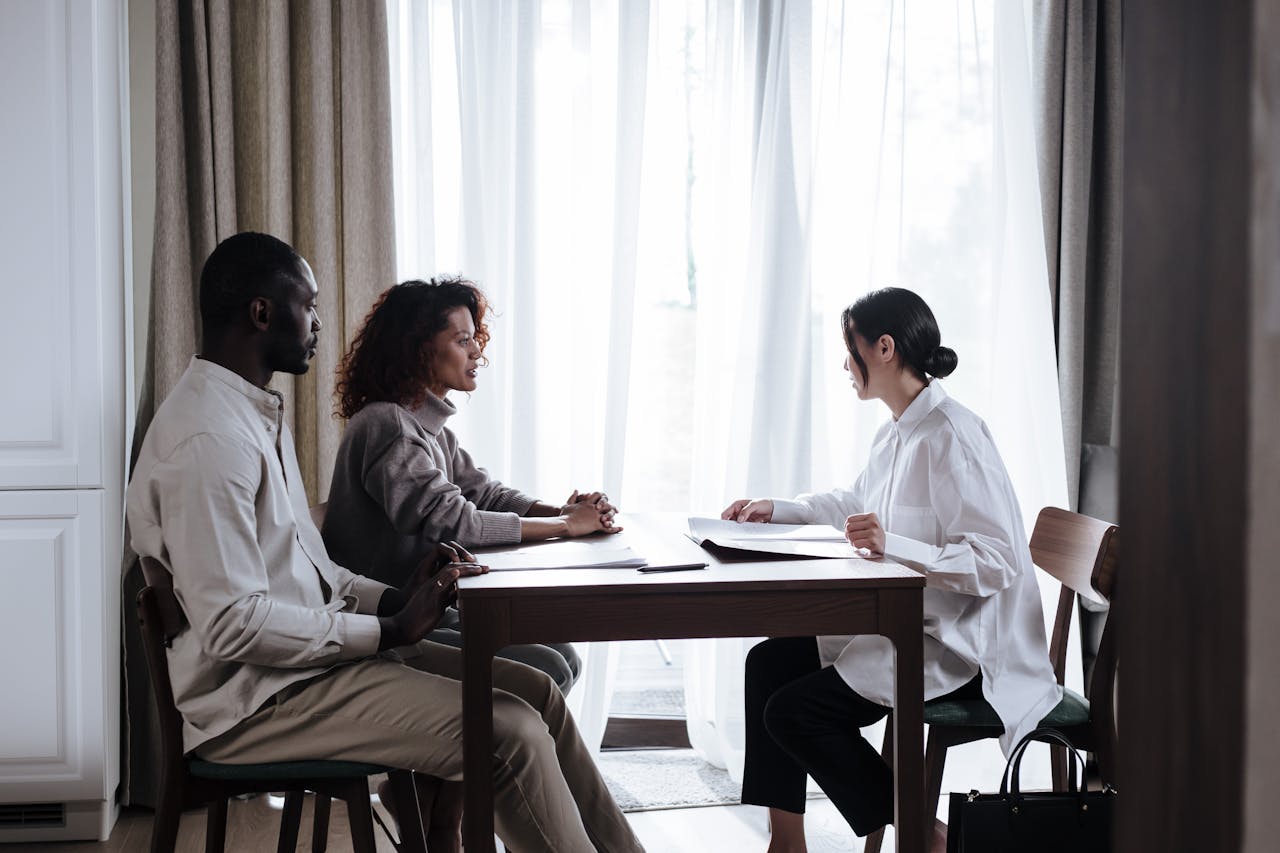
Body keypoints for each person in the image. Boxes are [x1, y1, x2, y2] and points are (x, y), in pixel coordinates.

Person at [126, 232, 643, 853]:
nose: (318, 322)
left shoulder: (252, 414)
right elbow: (234, 627)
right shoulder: (209, 440)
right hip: (257, 700)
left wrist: (397, 599)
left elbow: (316, 572)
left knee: (535, 695)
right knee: (508, 731)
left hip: (300, 670)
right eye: (308, 305)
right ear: (262, 313)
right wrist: (390, 632)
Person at [722, 287, 1059, 853]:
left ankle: (930, 839)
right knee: (768, 662)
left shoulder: (954, 436)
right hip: (910, 626)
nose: (844, 363)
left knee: (794, 712)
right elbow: (853, 504)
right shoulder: (897, 432)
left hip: (963, 648)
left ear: (883, 348)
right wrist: (777, 510)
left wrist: (895, 544)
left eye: (848, 346)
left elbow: (998, 559)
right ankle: (787, 843)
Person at [323, 277, 617, 693]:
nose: (478, 351)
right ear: (418, 349)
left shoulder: (428, 428)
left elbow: (485, 493)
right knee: (548, 668)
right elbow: (454, 523)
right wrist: (568, 527)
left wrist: (564, 513)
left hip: (427, 606)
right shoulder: (387, 425)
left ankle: (497, 756)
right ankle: (484, 755)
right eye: (462, 340)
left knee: (562, 657)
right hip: (386, 620)